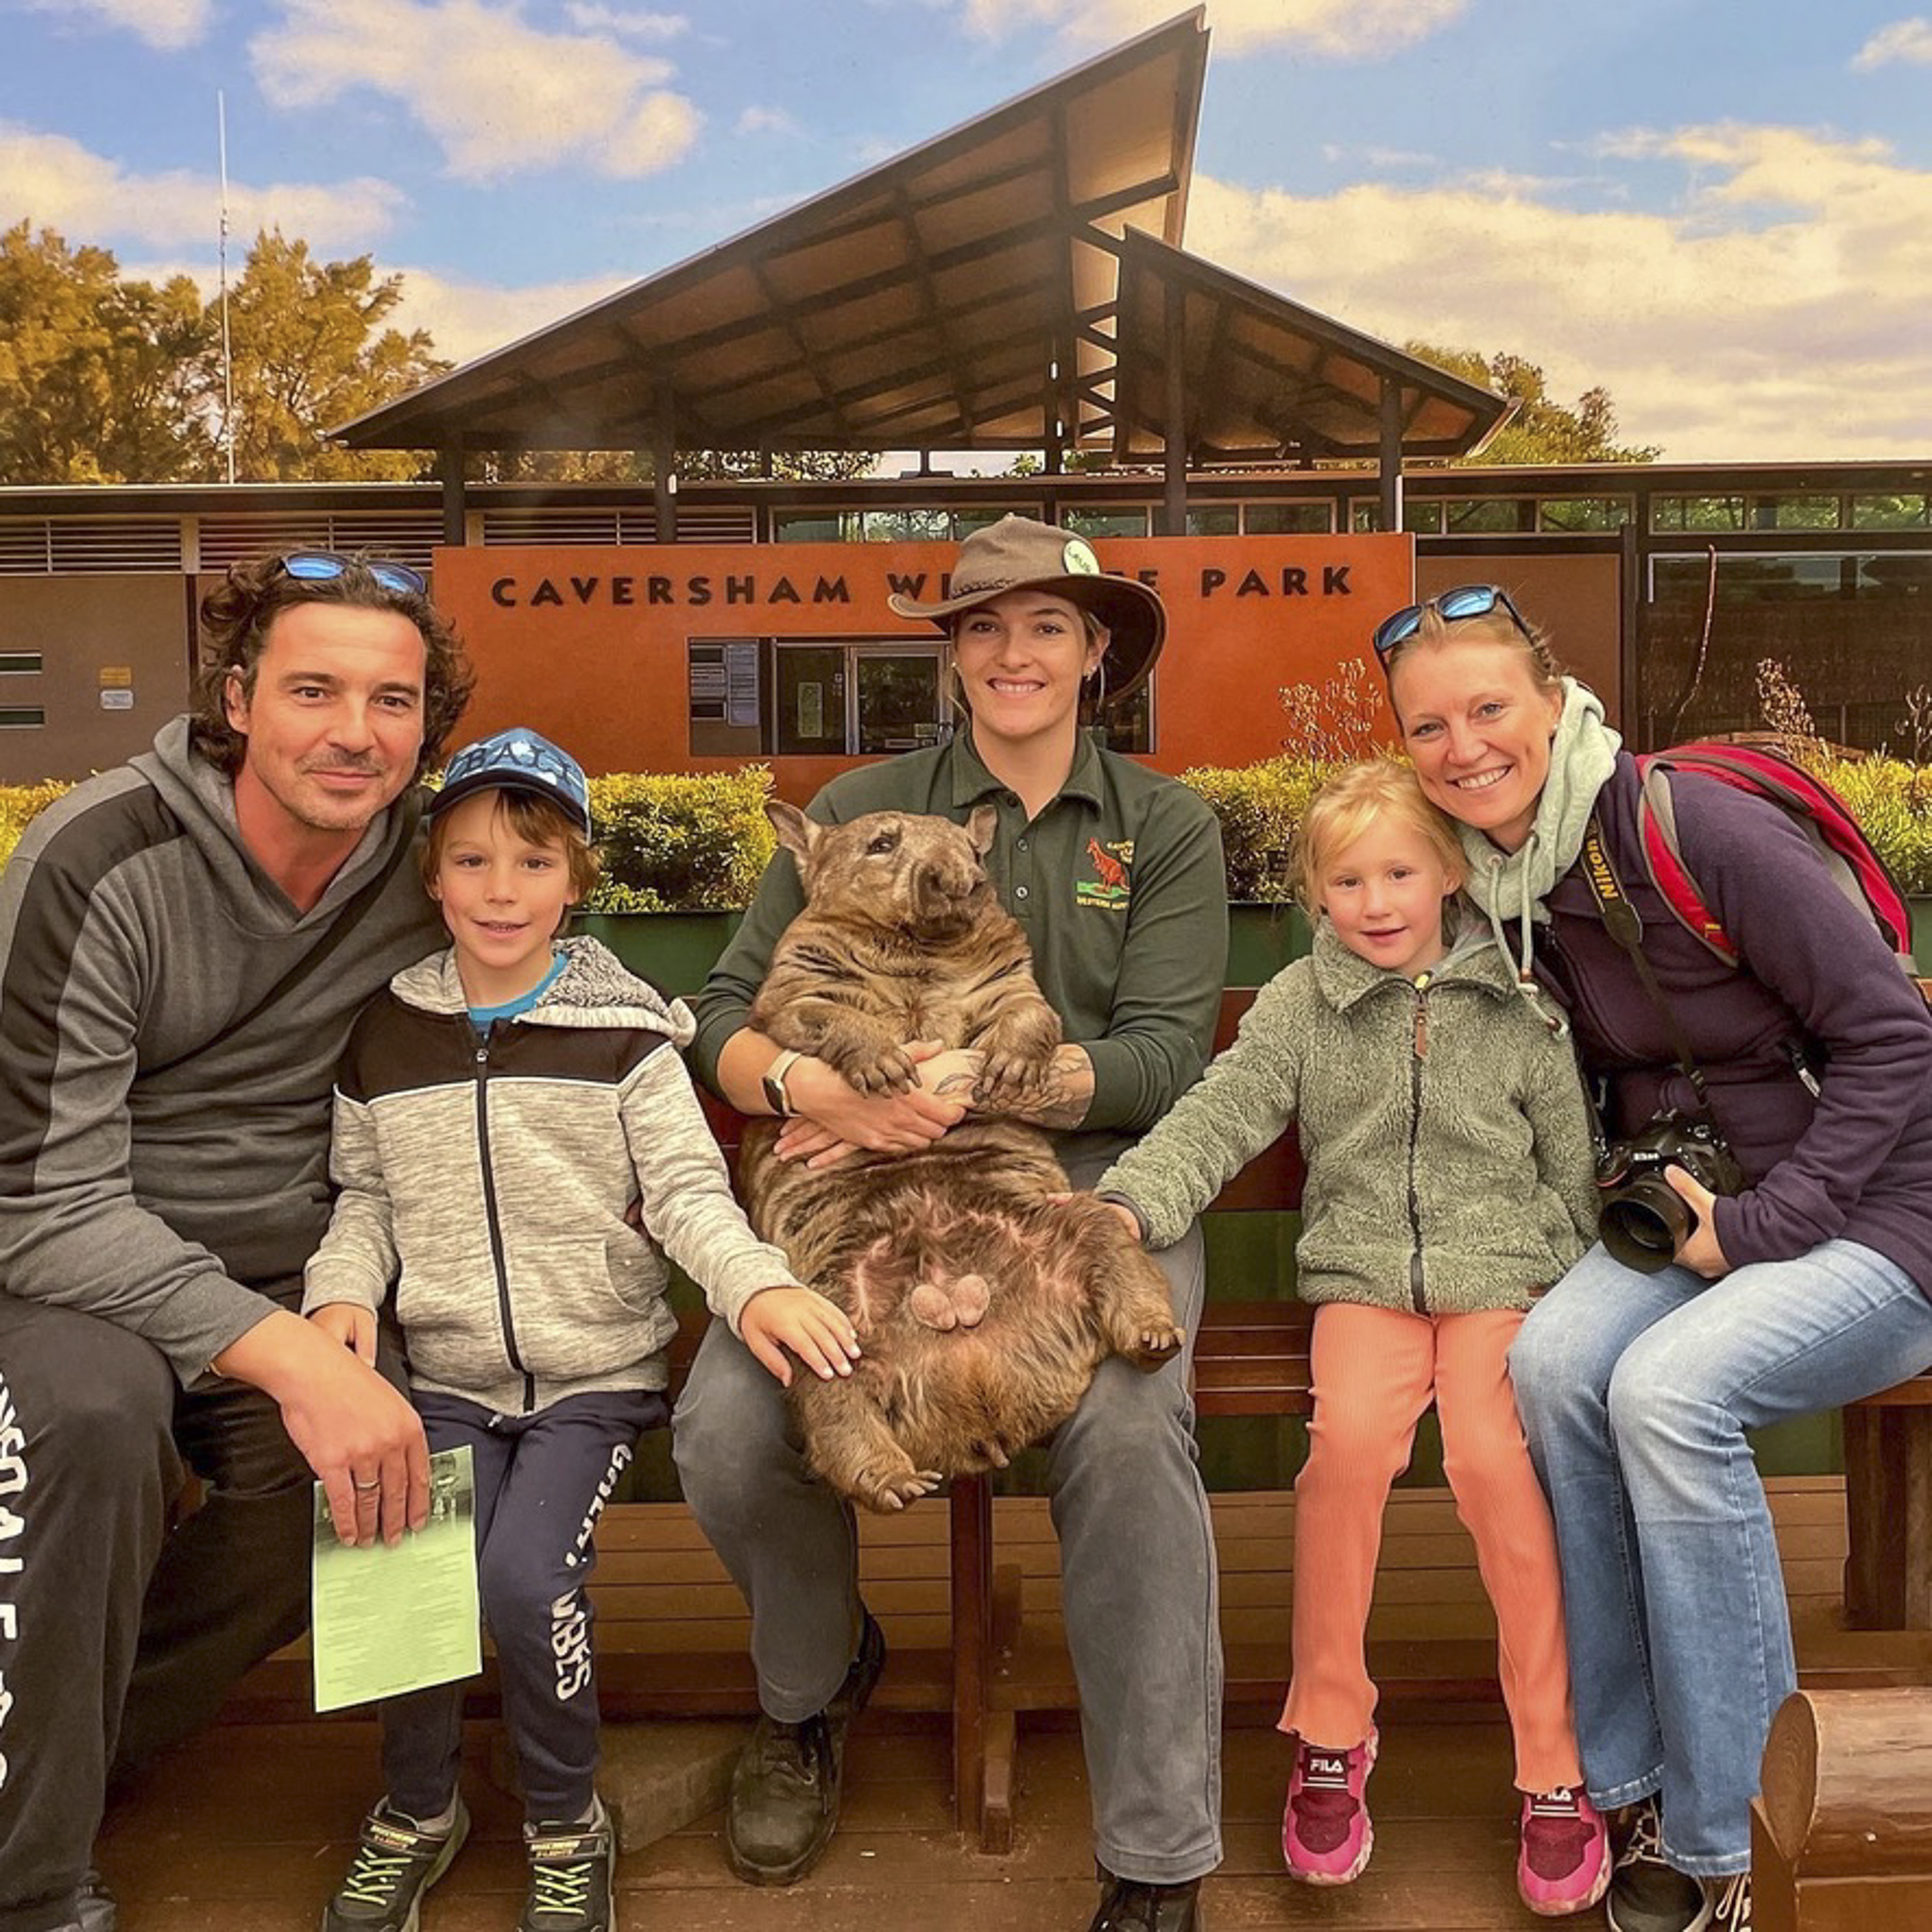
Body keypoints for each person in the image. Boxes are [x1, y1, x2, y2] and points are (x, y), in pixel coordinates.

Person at [674, 515, 1228, 1930]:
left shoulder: (1162, 826)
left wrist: (985, 1085)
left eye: (1045, 625)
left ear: (1096, 651)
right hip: (857, 1188)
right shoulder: (865, 804)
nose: (1012, 652)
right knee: (729, 1424)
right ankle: (811, 1687)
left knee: (1128, 1426)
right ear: (953, 655)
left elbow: (1167, 1052)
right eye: (983, 626)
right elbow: (726, 1015)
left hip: (1073, 1188)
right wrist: (814, 1089)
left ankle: (1157, 1850)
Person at [1376, 584, 1932, 1932]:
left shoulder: (1692, 828)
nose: (1463, 747)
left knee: (1668, 1394)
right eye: (1428, 726)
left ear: (1554, 698)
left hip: (1880, 1213)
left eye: (1488, 708)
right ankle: (1626, 1776)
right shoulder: (1496, 882)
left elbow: (1894, 1038)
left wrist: (1762, 1230)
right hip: (1699, 1206)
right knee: (1554, 1366)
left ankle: (1736, 1832)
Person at [301, 726, 852, 1932]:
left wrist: (754, 1285)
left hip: (589, 1377)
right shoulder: (385, 1029)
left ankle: (564, 1821)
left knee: (520, 1573)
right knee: (396, 1553)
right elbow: (365, 1196)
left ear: (575, 879)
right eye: (472, 860)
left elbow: (687, 1192)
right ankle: (416, 1806)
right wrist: (340, 1291)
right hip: (438, 1370)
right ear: (432, 876)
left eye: (533, 862)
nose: (501, 890)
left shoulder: (627, 1034)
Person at [0, 553, 475, 1932]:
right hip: (78, 1260)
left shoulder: (427, 865)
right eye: (313, 690)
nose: (353, 732)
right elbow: (38, 1198)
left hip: (307, 1263)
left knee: (385, 1467)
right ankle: (33, 1881)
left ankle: (63, 1755)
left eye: (392, 700)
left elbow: (560, 968)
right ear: (237, 700)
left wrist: (786, 1078)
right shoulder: (98, 858)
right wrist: (292, 1358)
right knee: (93, 1427)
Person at [1089, 758, 1611, 1917]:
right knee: (1345, 1455)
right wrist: (1130, 1201)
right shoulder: (1299, 1005)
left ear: (1450, 872)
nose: (1375, 902)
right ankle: (1329, 1728)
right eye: (1346, 880)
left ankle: (1551, 1754)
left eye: (1398, 873)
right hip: (1364, 1286)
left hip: (1499, 1282)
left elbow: (1569, 1162)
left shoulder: (1518, 1004)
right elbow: (1219, 1111)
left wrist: (1569, 1275)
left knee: (1493, 1458)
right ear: (1314, 892)